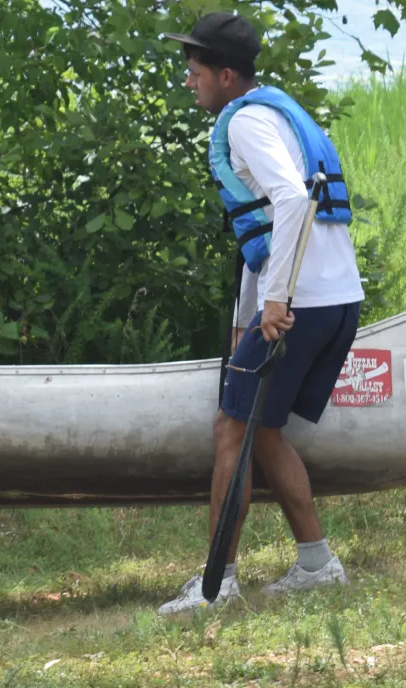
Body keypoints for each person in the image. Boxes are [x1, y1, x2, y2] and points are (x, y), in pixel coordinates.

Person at [157, 13, 367, 615]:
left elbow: (293, 201)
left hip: (300, 303)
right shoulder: (272, 112)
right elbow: (267, 232)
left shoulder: (247, 123)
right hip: (336, 297)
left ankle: (216, 586)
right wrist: (246, 319)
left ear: (226, 75)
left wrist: (275, 303)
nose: (189, 81)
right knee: (263, 430)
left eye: (195, 72)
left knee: (232, 430)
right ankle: (317, 565)